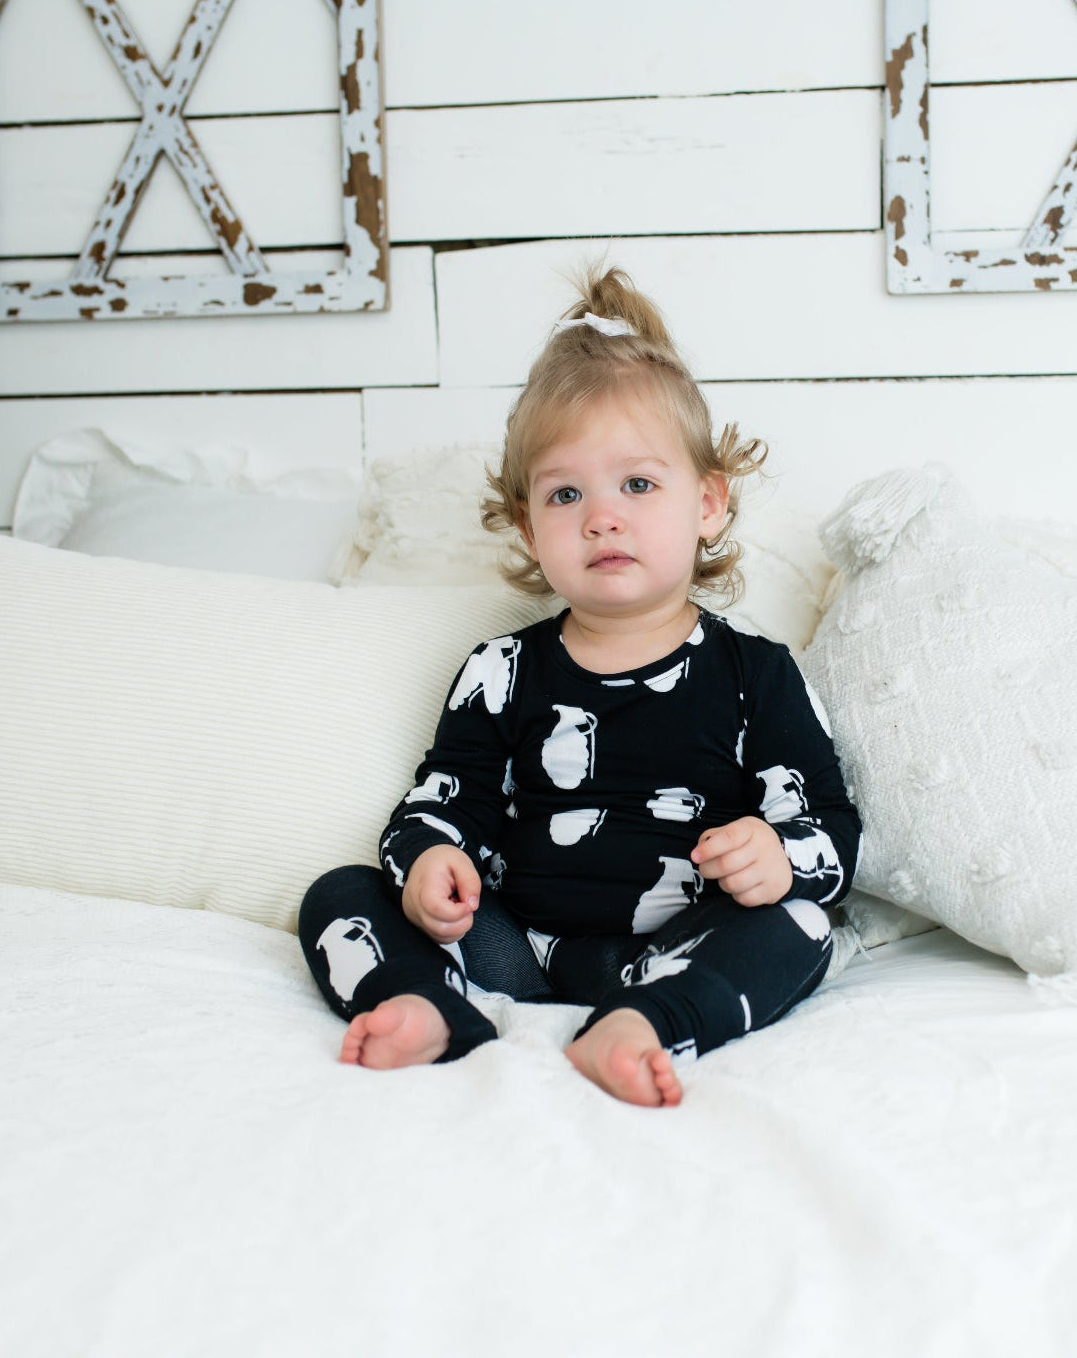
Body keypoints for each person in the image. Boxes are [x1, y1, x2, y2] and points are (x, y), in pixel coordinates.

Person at [298, 263, 862, 1108]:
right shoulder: (502, 670)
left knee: (804, 926)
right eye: (567, 493)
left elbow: (832, 830)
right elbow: (443, 801)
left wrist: (778, 856)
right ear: (529, 523)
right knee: (338, 892)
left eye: (637, 483)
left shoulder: (756, 673)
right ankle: (424, 1005)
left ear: (706, 502)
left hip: (682, 941)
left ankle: (647, 1020)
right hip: (509, 950)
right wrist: (429, 860)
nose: (602, 516)